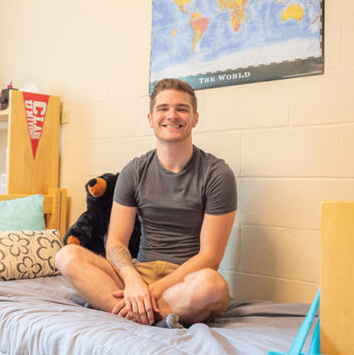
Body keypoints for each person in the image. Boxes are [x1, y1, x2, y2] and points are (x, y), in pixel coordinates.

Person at [55, 78, 237, 328]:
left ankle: (131, 312)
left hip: (184, 281)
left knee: (212, 286)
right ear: (151, 118)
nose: (172, 115)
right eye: (163, 108)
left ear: (195, 118)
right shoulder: (134, 170)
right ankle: (152, 314)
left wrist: (148, 292)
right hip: (138, 273)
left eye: (182, 108)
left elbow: (210, 256)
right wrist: (132, 281)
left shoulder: (217, 174)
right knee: (67, 256)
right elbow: (116, 241)